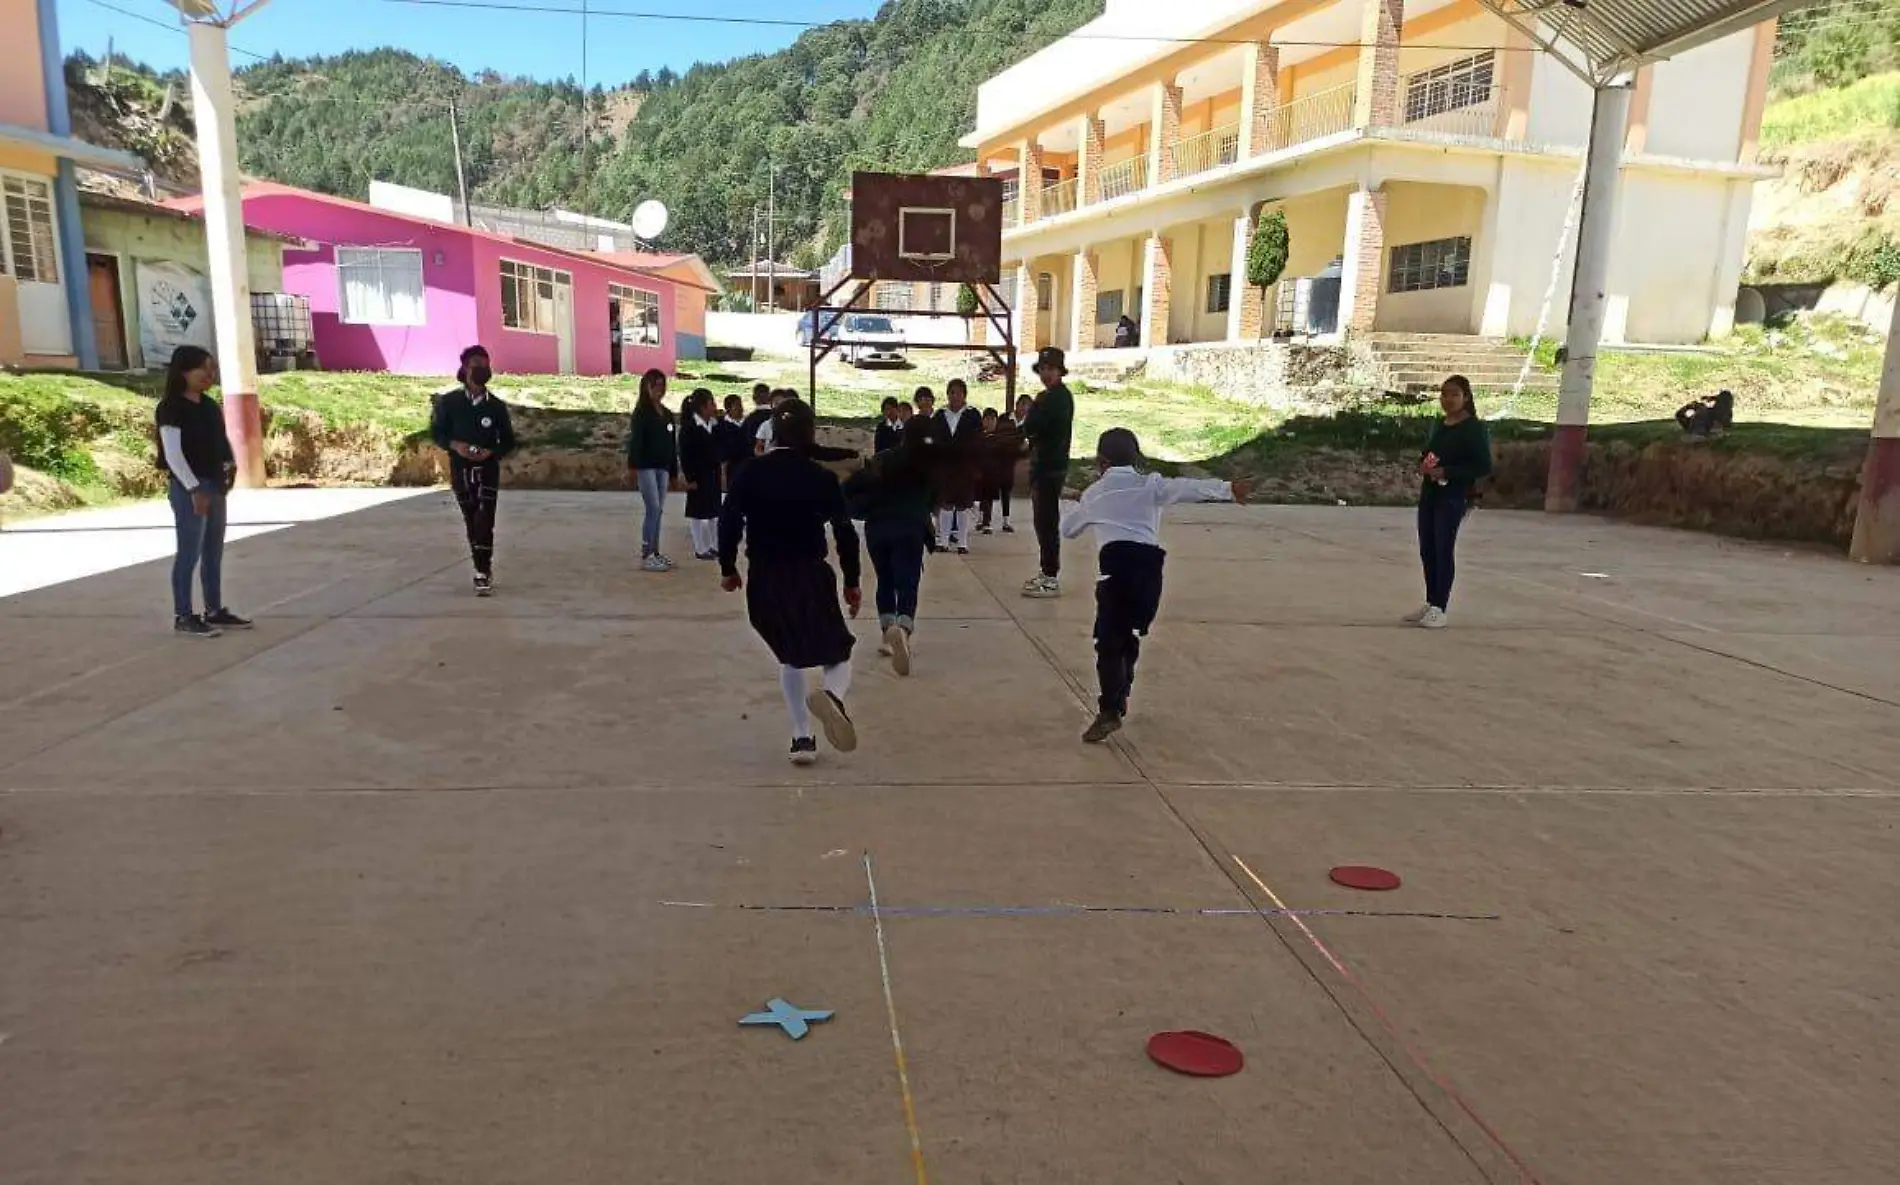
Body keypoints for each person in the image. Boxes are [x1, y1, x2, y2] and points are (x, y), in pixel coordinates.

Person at [1061, 428, 1252, 743]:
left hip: (1116, 572)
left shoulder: (1095, 493)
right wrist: (1229, 489)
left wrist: (1073, 505)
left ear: (1101, 461)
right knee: (1131, 634)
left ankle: (1110, 709)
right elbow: (1187, 487)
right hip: (1150, 573)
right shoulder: (1151, 485)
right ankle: (1121, 694)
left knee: (1109, 643)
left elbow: (1068, 531)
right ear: (1136, 458)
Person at [719, 397, 864, 765]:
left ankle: (802, 736)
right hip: (809, 574)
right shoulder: (820, 477)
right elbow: (846, 532)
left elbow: (729, 521)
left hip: (765, 577)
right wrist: (852, 580)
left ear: (773, 434)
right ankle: (831, 696)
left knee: (790, 656)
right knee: (839, 652)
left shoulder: (749, 472)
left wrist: (727, 567)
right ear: (809, 434)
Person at [155, 345, 249, 636]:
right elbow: (173, 454)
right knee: (189, 552)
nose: (209, 375)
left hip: (213, 484)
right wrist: (193, 488)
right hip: (189, 488)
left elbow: (220, 442)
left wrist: (230, 466)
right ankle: (183, 615)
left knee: (213, 551)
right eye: (203, 369)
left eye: (212, 369)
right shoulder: (170, 408)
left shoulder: (209, 406)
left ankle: (214, 609)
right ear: (184, 371)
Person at [845, 415, 941, 676]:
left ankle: (888, 632)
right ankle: (904, 630)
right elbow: (935, 498)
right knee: (908, 582)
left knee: (885, 581)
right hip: (909, 528)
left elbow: (853, 486)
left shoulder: (884, 458)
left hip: (878, 528)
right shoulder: (929, 465)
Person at [431, 344, 518, 597]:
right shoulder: (449, 403)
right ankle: (479, 560)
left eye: (485, 365)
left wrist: (493, 452)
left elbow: (509, 440)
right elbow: (437, 433)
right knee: (471, 518)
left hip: (487, 470)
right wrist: (455, 446)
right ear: (465, 369)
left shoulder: (497, 407)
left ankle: (482, 570)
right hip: (461, 469)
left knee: (484, 518)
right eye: (476, 365)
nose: (482, 370)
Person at [1409, 374, 1493, 630]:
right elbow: (1431, 451)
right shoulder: (1440, 425)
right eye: (1444, 394)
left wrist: (1447, 472)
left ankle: (1440, 607)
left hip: (1452, 494)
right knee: (1428, 549)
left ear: (1465, 397)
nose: (1448, 399)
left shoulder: (1473, 428)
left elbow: (1482, 465)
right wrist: (1426, 463)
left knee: (1443, 548)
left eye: (1454, 394)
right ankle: (1431, 600)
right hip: (1431, 492)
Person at [1021, 347, 1076, 598]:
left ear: (1059, 371)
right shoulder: (1046, 397)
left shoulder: (1057, 398)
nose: (1046, 373)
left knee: (1047, 521)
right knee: (1041, 521)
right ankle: (1046, 571)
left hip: (1050, 468)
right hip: (1040, 465)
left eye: (1050, 369)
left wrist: (1032, 412)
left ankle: (1051, 576)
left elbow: (1033, 425)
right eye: (1042, 369)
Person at [625, 367, 678, 572]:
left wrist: (673, 472)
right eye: (655, 385)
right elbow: (636, 442)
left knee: (659, 510)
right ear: (646, 387)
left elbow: (671, 445)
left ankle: (656, 552)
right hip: (646, 466)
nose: (659, 389)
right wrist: (632, 467)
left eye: (662, 385)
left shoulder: (667, 415)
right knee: (653, 508)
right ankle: (647, 553)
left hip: (662, 467)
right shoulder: (641, 414)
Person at [933, 378, 982, 554]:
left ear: (964, 395)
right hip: (945, 466)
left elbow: (977, 440)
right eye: (952, 392)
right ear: (947, 395)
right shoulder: (940, 415)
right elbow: (934, 440)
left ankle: (962, 542)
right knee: (946, 503)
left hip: (965, 466)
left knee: (962, 504)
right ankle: (944, 541)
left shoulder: (973, 414)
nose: (955, 396)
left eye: (959, 392)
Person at [679, 388, 724, 561]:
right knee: (697, 512)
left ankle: (715, 545)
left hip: (712, 473)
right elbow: (685, 455)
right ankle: (700, 547)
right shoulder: (690, 428)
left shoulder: (715, 424)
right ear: (702, 407)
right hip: (698, 475)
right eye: (711, 403)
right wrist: (690, 478)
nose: (714, 406)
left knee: (714, 511)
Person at [979, 405, 1024, 534]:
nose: (990, 422)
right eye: (987, 419)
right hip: (987, 472)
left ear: (997, 421)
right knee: (986, 496)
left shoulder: (1003, 437)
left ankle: (1006, 521)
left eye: (992, 419)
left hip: (1004, 471)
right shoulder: (979, 436)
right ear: (983, 421)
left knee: (1005, 494)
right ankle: (985, 522)